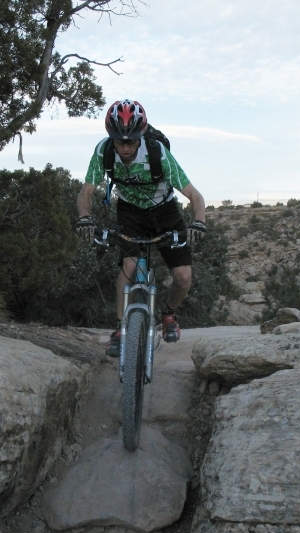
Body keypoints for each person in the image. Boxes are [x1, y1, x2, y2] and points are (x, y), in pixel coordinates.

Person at [75, 99, 207, 357]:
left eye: (131, 141)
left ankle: (168, 314)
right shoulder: (104, 151)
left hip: (165, 210)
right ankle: (119, 328)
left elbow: (194, 195)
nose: (124, 148)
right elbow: (86, 191)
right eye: (119, 141)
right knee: (129, 266)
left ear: (141, 136)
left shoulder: (157, 153)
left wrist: (199, 222)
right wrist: (84, 217)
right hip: (130, 212)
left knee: (182, 276)